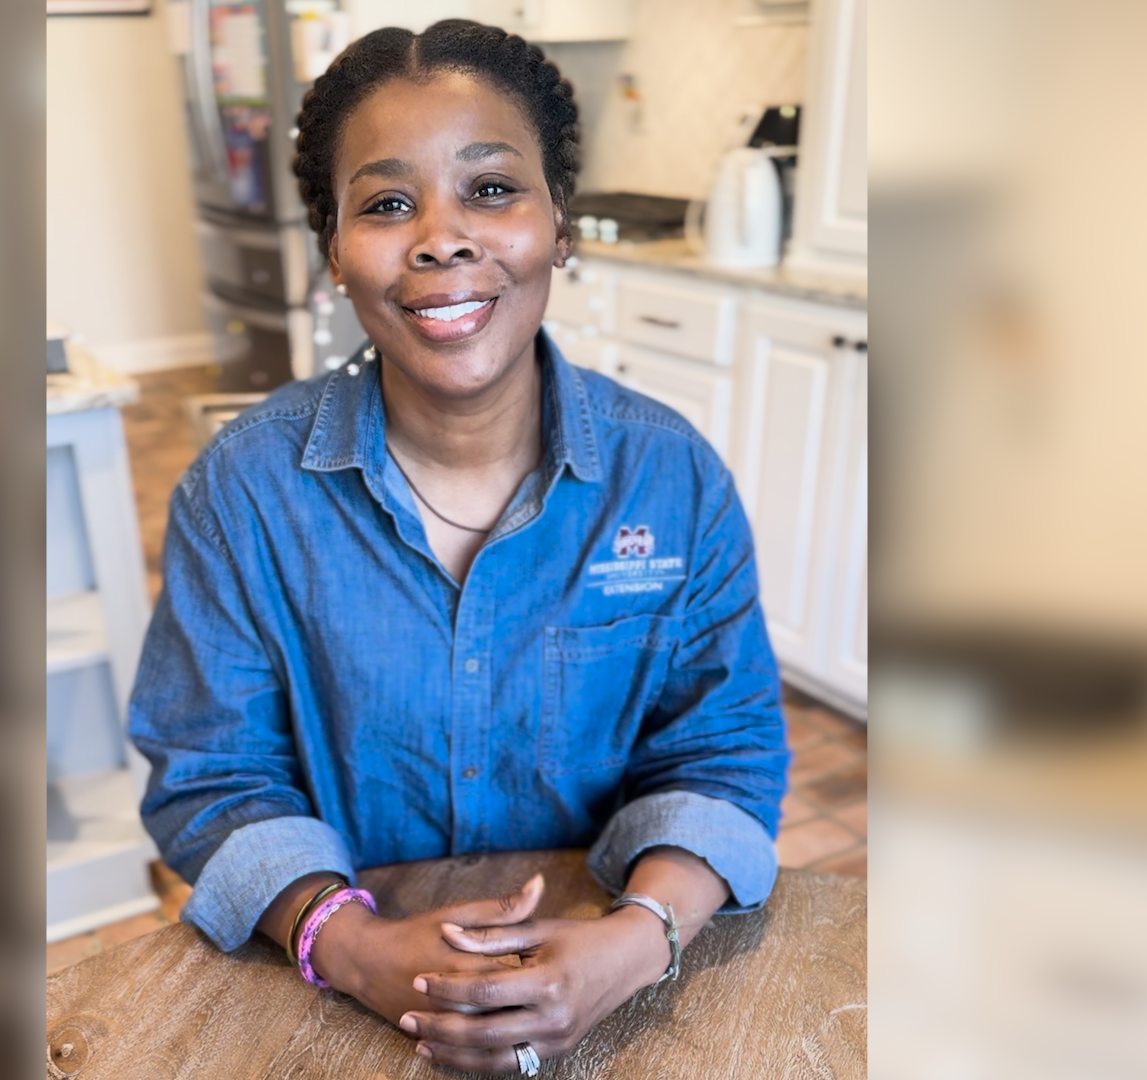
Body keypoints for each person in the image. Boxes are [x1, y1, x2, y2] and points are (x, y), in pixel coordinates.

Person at [129, 19, 789, 1075]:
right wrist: (347, 945)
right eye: (388, 204)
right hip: (341, 995)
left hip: (613, 985)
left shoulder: (671, 480)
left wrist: (634, 942)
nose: (442, 236)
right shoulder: (242, 494)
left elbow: (723, 751)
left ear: (559, 224)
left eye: (491, 189)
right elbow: (212, 777)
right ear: (334, 250)